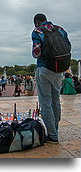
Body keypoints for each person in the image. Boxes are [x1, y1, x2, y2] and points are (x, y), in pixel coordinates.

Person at [32, 13, 71, 143]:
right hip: (59, 69)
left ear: (37, 22)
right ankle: (55, 129)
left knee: (45, 103)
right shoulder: (60, 29)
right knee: (56, 101)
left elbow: (36, 53)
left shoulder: (37, 31)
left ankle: (53, 135)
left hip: (44, 69)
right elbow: (68, 47)